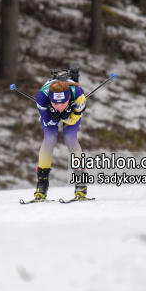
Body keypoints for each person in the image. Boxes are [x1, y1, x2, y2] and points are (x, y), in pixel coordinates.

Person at [34, 64, 88, 201]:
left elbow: (76, 116)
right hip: (49, 114)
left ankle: (80, 181)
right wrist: (53, 117)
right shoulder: (41, 97)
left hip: (72, 113)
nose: (59, 107)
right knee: (50, 138)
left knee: (70, 137)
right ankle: (42, 183)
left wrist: (69, 117)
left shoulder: (78, 95)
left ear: (69, 98)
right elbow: (46, 120)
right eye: (55, 103)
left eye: (62, 103)